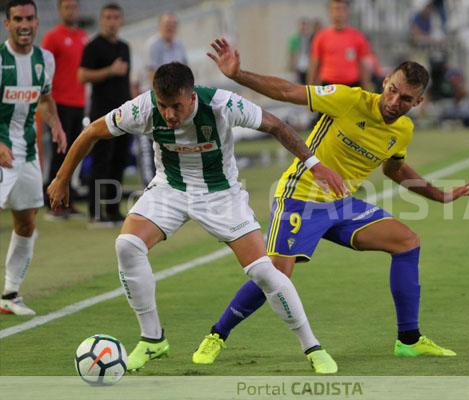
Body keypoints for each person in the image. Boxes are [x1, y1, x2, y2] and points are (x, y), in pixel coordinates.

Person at [194, 38, 469, 364]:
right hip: (300, 196)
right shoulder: (347, 99)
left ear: (418, 101)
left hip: (342, 205)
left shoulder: (403, 130)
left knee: (407, 243)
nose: (395, 101)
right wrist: (238, 74)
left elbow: (394, 169)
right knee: (276, 275)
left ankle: (409, 339)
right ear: (385, 81)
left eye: (406, 98)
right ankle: (217, 335)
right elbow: (288, 92)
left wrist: (439, 195)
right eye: (393, 90)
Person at [47, 62, 345, 373]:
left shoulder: (222, 104)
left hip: (221, 194)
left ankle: (312, 346)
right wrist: (62, 177)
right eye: (163, 106)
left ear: (191, 97)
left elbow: (277, 126)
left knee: (264, 273)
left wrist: (314, 164)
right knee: (127, 245)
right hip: (170, 189)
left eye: (176, 106)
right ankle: (152, 339)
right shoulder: (144, 107)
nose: (169, 114)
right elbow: (93, 130)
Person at [0, 0, 67, 315]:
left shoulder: (45, 60)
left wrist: (55, 123)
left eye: (29, 18)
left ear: (37, 22)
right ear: (7, 24)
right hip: (1, 148)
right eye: (17, 19)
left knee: (26, 221)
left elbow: (45, 98)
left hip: (27, 152)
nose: (24, 25)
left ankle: (10, 295)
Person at [78, 3, 131, 226]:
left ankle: (113, 210)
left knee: (118, 161)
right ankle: (95, 212)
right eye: (108, 17)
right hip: (102, 114)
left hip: (124, 114)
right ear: (101, 20)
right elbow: (82, 76)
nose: (112, 22)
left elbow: (125, 80)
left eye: (115, 17)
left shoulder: (124, 47)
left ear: (121, 21)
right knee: (101, 162)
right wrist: (109, 70)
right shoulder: (93, 47)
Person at [41, 0, 87, 219]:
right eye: (67, 7)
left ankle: (67, 201)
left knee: (74, 154)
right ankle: (52, 202)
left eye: (74, 7)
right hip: (59, 104)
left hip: (78, 102)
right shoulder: (52, 37)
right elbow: (43, 69)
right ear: (60, 10)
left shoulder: (82, 37)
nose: (71, 11)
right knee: (59, 153)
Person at [139, 12, 188, 186]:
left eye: (173, 24)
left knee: (172, 144)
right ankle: (148, 183)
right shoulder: (153, 45)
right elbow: (153, 75)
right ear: (160, 25)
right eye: (167, 24)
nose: (170, 27)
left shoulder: (179, 46)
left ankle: (170, 183)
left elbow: (185, 74)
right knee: (150, 145)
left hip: (174, 104)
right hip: (156, 102)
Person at [307, 0, 372, 90]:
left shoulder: (358, 37)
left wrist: (366, 89)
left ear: (347, 12)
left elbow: (363, 65)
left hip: (352, 86)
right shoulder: (320, 37)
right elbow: (314, 64)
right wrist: (310, 89)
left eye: (342, 9)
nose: (338, 13)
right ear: (329, 12)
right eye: (335, 9)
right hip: (328, 86)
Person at [288, 18, 311, 84]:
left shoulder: (310, 37)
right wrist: (291, 64)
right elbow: (292, 52)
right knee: (300, 82)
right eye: (302, 25)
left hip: (308, 64)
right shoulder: (295, 38)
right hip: (299, 64)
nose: (303, 27)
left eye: (305, 25)